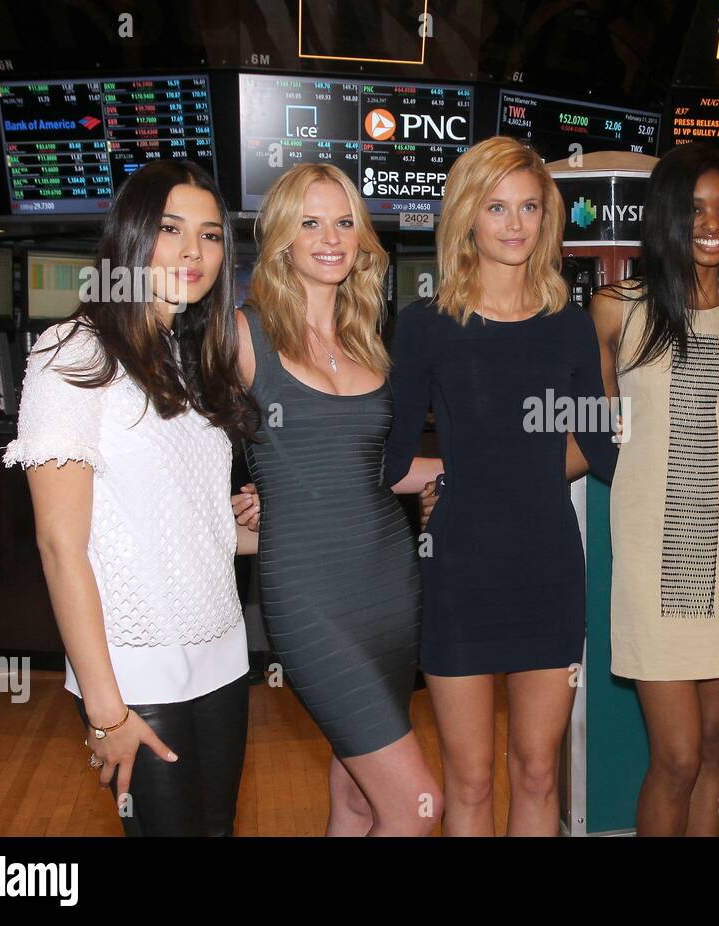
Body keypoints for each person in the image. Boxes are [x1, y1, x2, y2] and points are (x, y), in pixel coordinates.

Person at [3, 160, 259, 836]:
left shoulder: (192, 360)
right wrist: (105, 709)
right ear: (132, 236)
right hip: (136, 674)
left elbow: (199, 531)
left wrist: (271, 525)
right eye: (171, 229)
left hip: (224, 657)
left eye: (209, 235)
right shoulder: (72, 353)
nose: (192, 252)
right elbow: (62, 547)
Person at [382, 136, 618, 835]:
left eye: (529, 207)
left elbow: (602, 450)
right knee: (472, 782)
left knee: (539, 770)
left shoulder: (572, 329)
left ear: (547, 217)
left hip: (548, 567)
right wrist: (459, 475)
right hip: (458, 571)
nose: (515, 224)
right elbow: (391, 461)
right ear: (467, 218)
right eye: (496, 207)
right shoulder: (425, 327)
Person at [232, 163, 442, 835]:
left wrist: (463, 470)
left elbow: (378, 470)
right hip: (308, 593)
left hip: (389, 585)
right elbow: (176, 439)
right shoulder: (244, 333)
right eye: (311, 222)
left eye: (345, 222)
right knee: (416, 809)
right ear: (282, 239)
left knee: (359, 796)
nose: (330, 237)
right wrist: (238, 498)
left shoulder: (369, 346)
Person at [587, 142, 719, 836]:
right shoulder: (616, 310)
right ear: (668, 214)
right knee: (674, 756)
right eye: (697, 208)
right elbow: (593, 436)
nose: (714, 222)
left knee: (713, 748)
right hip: (654, 557)